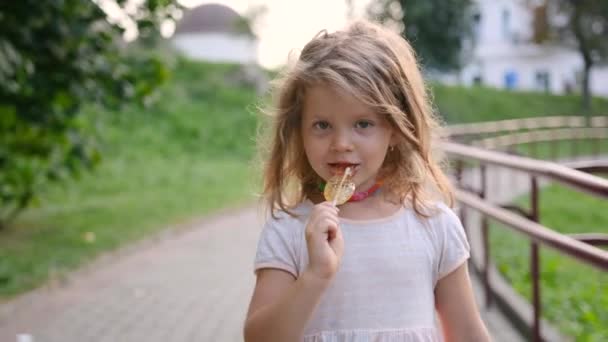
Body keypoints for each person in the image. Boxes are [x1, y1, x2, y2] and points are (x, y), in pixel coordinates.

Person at [244, 20, 491, 342]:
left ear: (396, 131)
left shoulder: (435, 226)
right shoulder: (290, 229)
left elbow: (468, 334)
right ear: (299, 131)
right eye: (322, 125)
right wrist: (316, 275)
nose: (341, 143)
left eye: (362, 124)